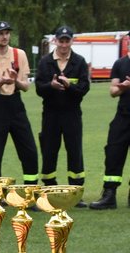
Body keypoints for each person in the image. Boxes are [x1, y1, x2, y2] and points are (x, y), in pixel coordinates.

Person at [0, 20, 38, 183]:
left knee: (29, 150)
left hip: (15, 104)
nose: (4, 37)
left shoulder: (19, 54)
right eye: (0, 34)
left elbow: (26, 87)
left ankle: (30, 188)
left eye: (6, 33)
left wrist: (15, 80)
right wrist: (0, 82)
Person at [35, 25, 90, 195]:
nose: (64, 45)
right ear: (55, 41)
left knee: (75, 150)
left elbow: (84, 89)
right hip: (51, 114)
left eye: (67, 41)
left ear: (72, 41)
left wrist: (69, 86)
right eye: (61, 41)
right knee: (49, 150)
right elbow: (39, 89)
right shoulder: (45, 62)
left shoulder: (79, 62)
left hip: (72, 114)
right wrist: (50, 86)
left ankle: (76, 189)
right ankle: (49, 186)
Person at [89, 51, 130, 209]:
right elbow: (113, 91)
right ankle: (109, 195)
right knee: (113, 154)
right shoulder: (120, 63)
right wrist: (122, 87)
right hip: (123, 116)